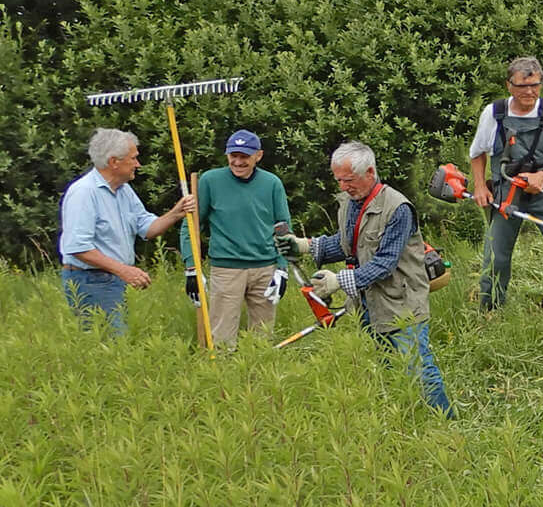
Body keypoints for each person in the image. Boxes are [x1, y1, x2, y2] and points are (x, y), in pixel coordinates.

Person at [276, 142, 454, 416]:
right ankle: (407, 422)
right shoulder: (350, 203)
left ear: (370, 172)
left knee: (418, 368)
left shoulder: (398, 208)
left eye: (349, 180)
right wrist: (307, 246)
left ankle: (445, 422)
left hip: (403, 304)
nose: (344, 187)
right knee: (389, 369)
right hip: (370, 303)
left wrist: (340, 281)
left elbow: (385, 262)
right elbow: (350, 242)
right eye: (339, 181)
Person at [469, 56, 543, 322]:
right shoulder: (494, 114)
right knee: (495, 257)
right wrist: (479, 187)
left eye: (535, 85)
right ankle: (491, 314)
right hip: (507, 193)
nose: (529, 92)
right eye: (522, 86)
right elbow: (477, 154)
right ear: (509, 85)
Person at [59, 128, 195, 333]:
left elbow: (147, 228)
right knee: (106, 344)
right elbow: (78, 247)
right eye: (133, 158)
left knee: (120, 341)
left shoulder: (123, 190)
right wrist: (124, 270)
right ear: (114, 162)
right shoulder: (84, 193)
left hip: (113, 280)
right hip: (91, 282)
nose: (138, 164)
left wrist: (177, 212)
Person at [177, 129, 291, 347]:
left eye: (244, 156)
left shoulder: (272, 183)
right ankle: (220, 377)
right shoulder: (211, 181)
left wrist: (282, 268)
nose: (238, 162)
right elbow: (190, 225)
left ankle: (257, 379)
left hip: (265, 268)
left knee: (263, 339)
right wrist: (192, 267)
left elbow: (283, 229)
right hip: (226, 270)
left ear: (258, 155)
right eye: (233, 156)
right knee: (221, 338)